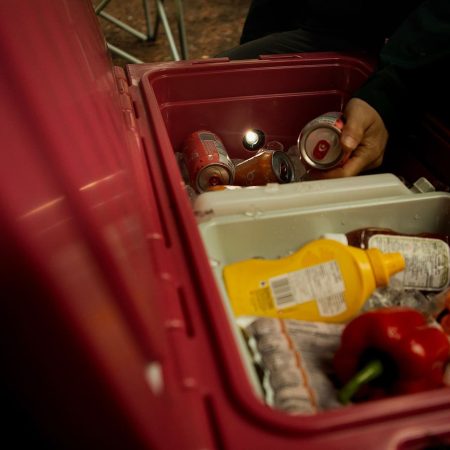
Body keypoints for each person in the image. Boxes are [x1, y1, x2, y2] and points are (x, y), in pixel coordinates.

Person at [218, 0, 450, 179]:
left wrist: (388, 92)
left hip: (423, 48)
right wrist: (253, 68)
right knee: (211, 83)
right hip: (329, 27)